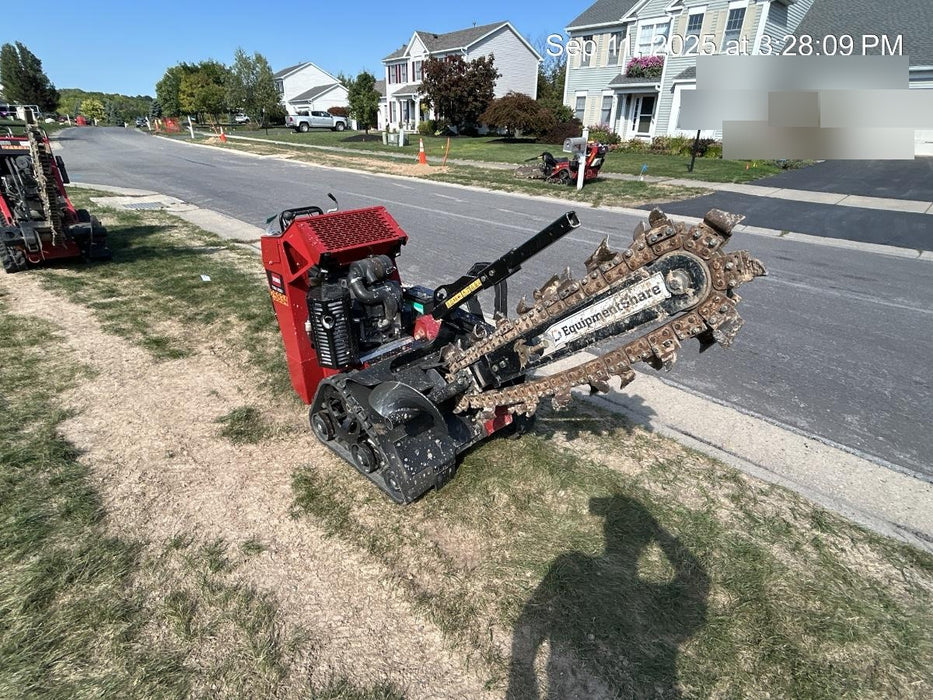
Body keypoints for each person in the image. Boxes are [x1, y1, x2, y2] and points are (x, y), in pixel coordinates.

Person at [507, 495, 709, 699]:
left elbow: (530, 623)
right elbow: (697, 580)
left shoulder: (573, 569)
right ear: (646, 543)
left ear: (606, 531)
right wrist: (657, 530)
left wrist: (520, 675)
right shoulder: (655, 599)